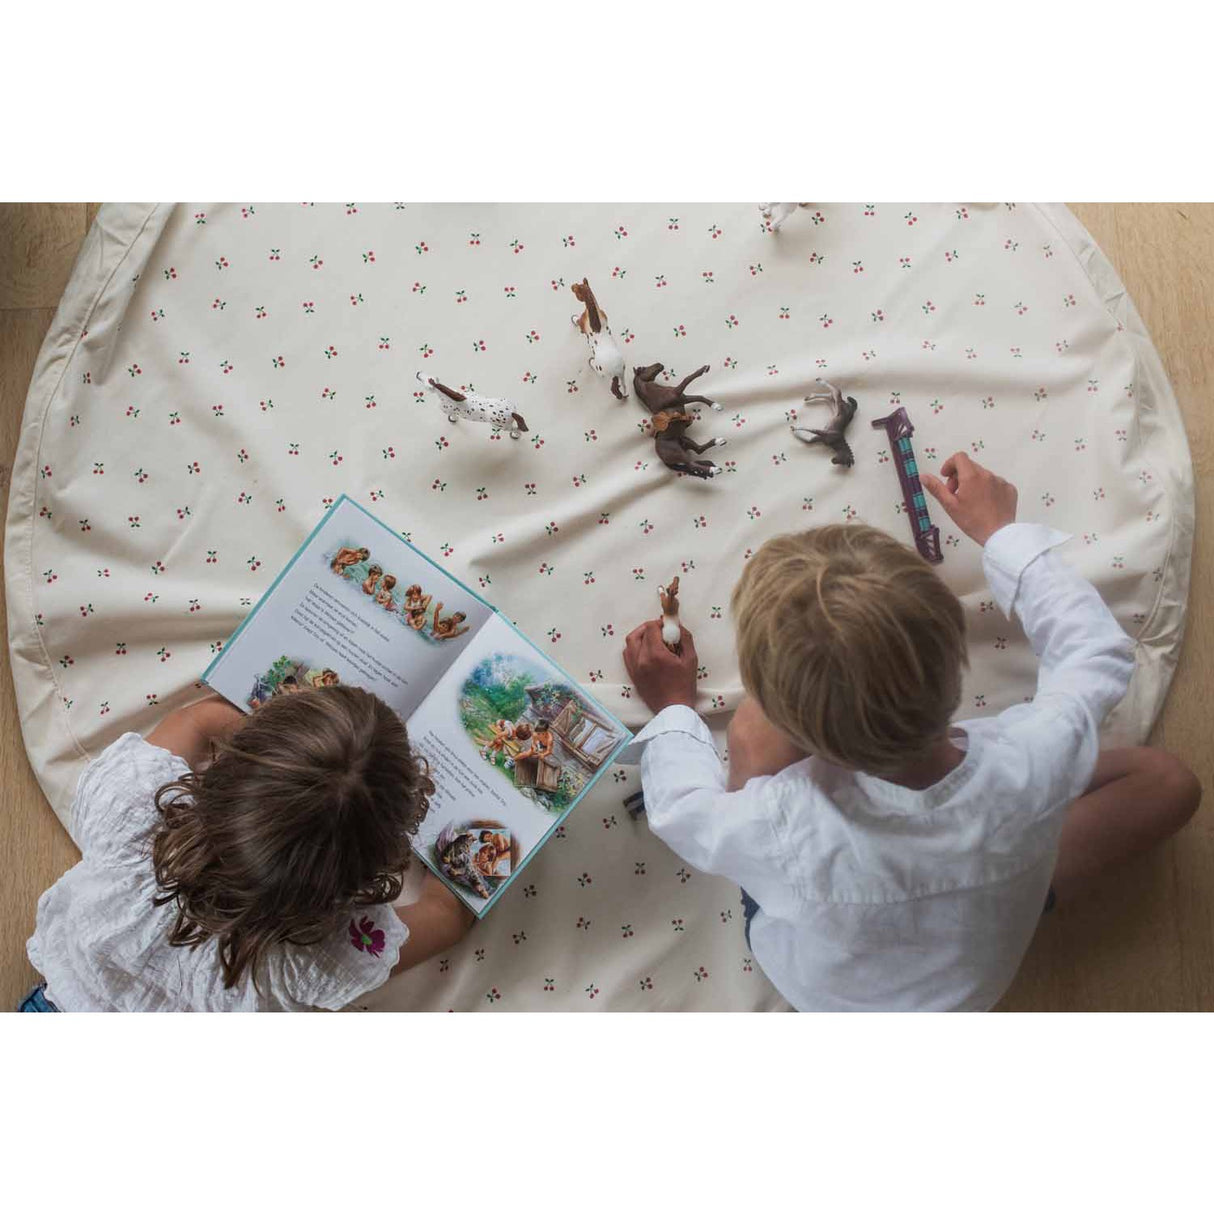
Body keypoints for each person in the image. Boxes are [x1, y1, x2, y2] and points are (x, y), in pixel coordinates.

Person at [622, 452, 1201, 1012]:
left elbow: (682, 810)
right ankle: (996, 884)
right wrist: (1003, 534)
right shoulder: (1036, 755)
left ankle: (983, 883)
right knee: (1169, 783)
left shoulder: (782, 828)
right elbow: (1094, 650)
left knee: (751, 731)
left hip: (831, 996)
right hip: (972, 972)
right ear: (954, 653)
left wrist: (675, 708)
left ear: (802, 729)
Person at [21, 685, 473, 1011]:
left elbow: (197, 720)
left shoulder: (133, 809)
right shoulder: (327, 952)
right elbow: (446, 916)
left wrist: (274, 746)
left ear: (230, 763)